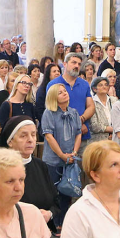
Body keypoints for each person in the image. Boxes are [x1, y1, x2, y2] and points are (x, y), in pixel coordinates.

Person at [0, 116, 57, 224]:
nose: (30, 140)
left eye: (33, 134)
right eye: (23, 136)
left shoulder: (41, 166)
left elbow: (55, 202)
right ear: (10, 141)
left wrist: (49, 214)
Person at [41, 83, 83, 228]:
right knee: (53, 192)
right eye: (60, 93)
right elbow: (49, 136)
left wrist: (74, 152)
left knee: (67, 191)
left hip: (70, 158)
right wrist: (61, 155)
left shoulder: (73, 112)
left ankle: (64, 223)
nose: (65, 93)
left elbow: (78, 133)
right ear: (53, 97)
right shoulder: (49, 113)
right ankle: (53, 223)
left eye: (65, 91)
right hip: (53, 160)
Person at [88, 76, 117, 144]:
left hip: (115, 138)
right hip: (98, 141)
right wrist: (115, 130)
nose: (104, 87)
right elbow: (95, 126)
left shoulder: (114, 100)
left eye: (106, 85)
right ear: (94, 89)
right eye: (100, 85)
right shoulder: (91, 103)